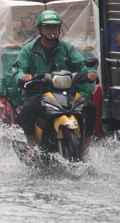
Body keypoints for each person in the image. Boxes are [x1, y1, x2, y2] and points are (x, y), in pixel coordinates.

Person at [14, 10, 98, 154]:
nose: (51, 30)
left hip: (67, 94)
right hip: (40, 93)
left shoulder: (67, 48)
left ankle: (86, 147)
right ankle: (31, 146)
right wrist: (23, 77)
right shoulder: (28, 50)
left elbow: (81, 65)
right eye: (47, 27)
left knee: (90, 106)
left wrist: (90, 73)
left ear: (59, 28)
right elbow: (18, 69)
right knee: (29, 106)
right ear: (40, 29)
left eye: (54, 27)